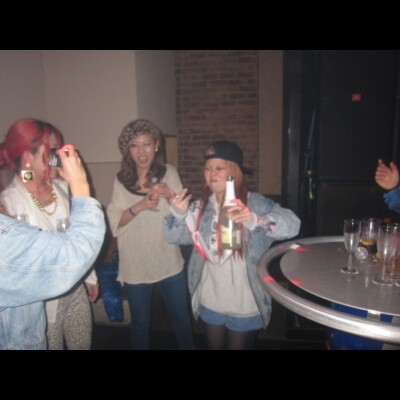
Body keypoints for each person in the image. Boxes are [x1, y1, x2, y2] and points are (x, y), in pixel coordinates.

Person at [163, 140, 301, 350]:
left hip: (245, 303)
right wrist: (178, 214)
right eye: (208, 168)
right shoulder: (200, 207)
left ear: (234, 172)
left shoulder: (254, 203)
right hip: (211, 299)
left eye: (219, 167)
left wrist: (255, 220)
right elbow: (173, 236)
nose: (212, 173)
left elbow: (293, 225)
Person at [0, 118, 99, 350]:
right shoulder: (9, 202)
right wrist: (81, 186)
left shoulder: (61, 187)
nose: (59, 157)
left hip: (75, 290)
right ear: (28, 157)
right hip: (43, 304)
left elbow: (77, 233)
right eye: (53, 151)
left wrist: (90, 277)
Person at [107, 119, 195, 350]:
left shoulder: (169, 173)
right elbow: (115, 222)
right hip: (135, 262)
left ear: (156, 145)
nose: (141, 152)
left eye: (146, 144)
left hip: (167, 258)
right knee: (140, 325)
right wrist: (140, 206)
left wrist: (171, 196)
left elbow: (182, 216)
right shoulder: (121, 180)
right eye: (134, 145)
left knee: (182, 321)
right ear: (128, 150)